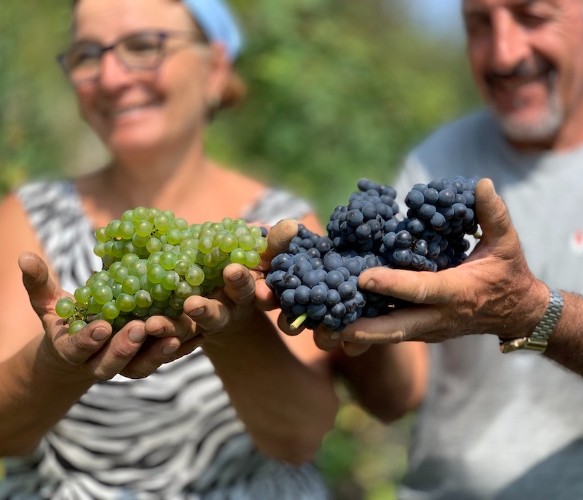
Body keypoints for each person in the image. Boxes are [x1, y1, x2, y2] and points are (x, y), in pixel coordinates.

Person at [0, 0, 339, 498]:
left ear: (216, 68)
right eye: (87, 55)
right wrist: (55, 366)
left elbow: (300, 436)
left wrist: (238, 332)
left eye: (143, 46)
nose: (112, 77)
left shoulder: (278, 230)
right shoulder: (25, 216)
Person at [309, 0, 583, 498]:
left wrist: (530, 313)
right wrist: (349, 312)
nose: (504, 54)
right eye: (478, 24)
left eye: (532, 16)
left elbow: (523, 310)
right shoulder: (436, 158)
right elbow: (397, 398)